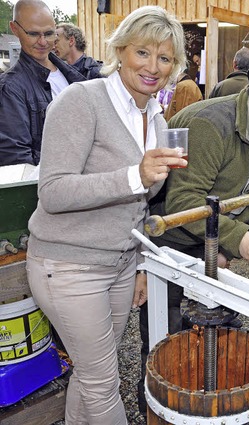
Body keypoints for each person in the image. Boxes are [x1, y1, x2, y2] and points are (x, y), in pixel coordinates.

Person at [25, 6, 187, 424]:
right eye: (143, 53)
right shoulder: (82, 100)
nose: (153, 67)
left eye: (165, 58)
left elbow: (139, 205)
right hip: (68, 265)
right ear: (120, 50)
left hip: (117, 265)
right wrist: (134, 175)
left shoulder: (154, 114)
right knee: (102, 384)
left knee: (92, 374)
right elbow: (53, 191)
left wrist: (137, 265)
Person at [138, 55, 249, 413]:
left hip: (211, 239)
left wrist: (227, 249)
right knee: (166, 332)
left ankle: (203, 401)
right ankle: (160, 406)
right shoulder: (209, 123)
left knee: (205, 324)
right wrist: (240, 240)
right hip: (167, 235)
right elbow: (182, 202)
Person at [0, 0, 86, 167]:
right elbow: (16, 159)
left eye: (49, 33)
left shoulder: (73, 75)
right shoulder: (10, 88)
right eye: (33, 34)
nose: (43, 42)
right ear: (15, 29)